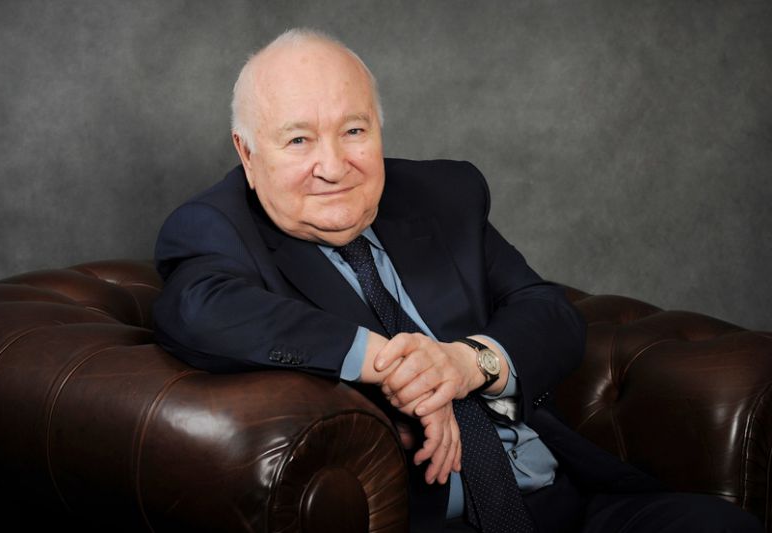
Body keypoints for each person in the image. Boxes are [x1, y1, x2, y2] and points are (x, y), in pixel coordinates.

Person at [153, 28, 761, 533]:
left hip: (569, 502)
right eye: (298, 139)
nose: (333, 166)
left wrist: (465, 364)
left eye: (355, 130)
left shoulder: (442, 196)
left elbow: (548, 311)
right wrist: (398, 365)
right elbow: (200, 308)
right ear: (248, 153)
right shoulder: (217, 226)